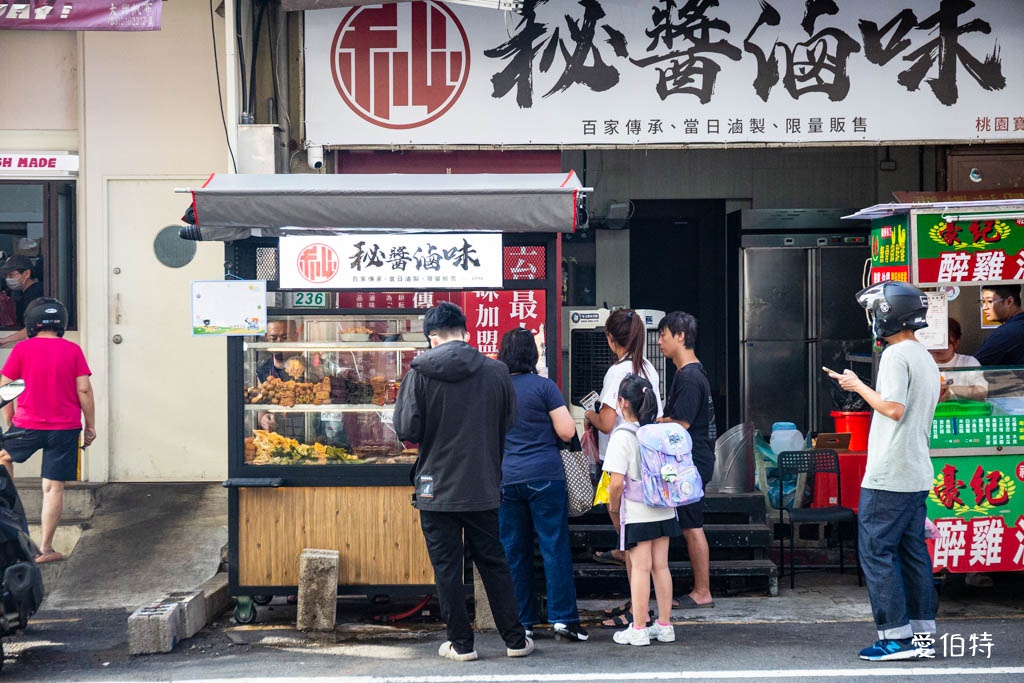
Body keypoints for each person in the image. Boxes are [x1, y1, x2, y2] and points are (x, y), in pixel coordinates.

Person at [393, 302, 532, 662]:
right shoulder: (497, 372)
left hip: (434, 488)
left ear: (431, 338)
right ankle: (515, 641)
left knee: (447, 569)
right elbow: (508, 421)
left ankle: (461, 644)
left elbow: (407, 429)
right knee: (494, 563)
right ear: (466, 333)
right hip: (483, 483)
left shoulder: (418, 373)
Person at [828, 281, 939, 661]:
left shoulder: (895, 356)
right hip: (917, 472)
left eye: (876, 312)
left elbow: (893, 409)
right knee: (912, 554)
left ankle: (895, 638)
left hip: (890, 474)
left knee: (877, 553)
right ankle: (922, 637)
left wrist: (856, 384)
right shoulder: (924, 355)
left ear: (887, 315)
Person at [496, 328, 588, 643]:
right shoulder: (545, 387)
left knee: (514, 551)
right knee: (553, 547)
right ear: (532, 356)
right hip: (545, 477)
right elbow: (565, 431)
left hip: (507, 479)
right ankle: (563, 620)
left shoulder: (497, 389)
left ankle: (523, 622)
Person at [0, 298, 95, 564]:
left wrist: (10, 420)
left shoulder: (22, 349)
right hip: (65, 428)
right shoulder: (72, 350)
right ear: (61, 324)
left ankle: (9, 504)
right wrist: (91, 425)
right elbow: (84, 389)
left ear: (31, 323)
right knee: (53, 488)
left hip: (27, 424)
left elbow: (6, 390)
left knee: (3, 458)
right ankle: (45, 549)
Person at [585, 308, 663, 574]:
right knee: (649, 548)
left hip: (620, 465)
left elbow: (606, 423)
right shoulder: (649, 369)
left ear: (610, 338)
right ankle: (644, 607)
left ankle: (635, 609)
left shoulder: (617, 372)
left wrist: (588, 414)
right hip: (649, 464)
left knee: (630, 541)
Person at [604, 374, 679, 647]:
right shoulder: (658, 433)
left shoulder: (622, 436)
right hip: (665, 508)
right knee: (661, 567)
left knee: (640, 568)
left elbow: (616, 483)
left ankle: (638, 628)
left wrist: (614, 509)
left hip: (637, 511)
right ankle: (665, 625)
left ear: (622, 403)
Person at [655, 311, 717, 609]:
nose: (660, 342)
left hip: (691, 464)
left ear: (680, 336)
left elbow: (681, 424)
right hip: (689, 461)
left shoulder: (690, 376)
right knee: (690, 524)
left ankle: (702, 591)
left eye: (664, 335)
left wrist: (656, 424)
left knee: (693, 525)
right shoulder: (688, 373)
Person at [930, 317, 987, 402]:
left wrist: (953, 390)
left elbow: (982, 392)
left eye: (943, 343)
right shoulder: (920, 364)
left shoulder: (969, 362)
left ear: (956, 343)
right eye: (932, 343)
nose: (936, 348)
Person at [0, 254, 45, 348]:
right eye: (7, 276)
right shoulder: (27, 293)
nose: (8, 279)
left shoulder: (35, 294)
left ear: (27, 273)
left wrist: (4, 340)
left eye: (11, 275)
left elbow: (35, 325)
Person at [974, 284, 1024, 366]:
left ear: (1009, 301)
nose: (984, 307)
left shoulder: (1006, 333)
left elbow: (976, 367)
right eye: (983, 302)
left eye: (989, 301)